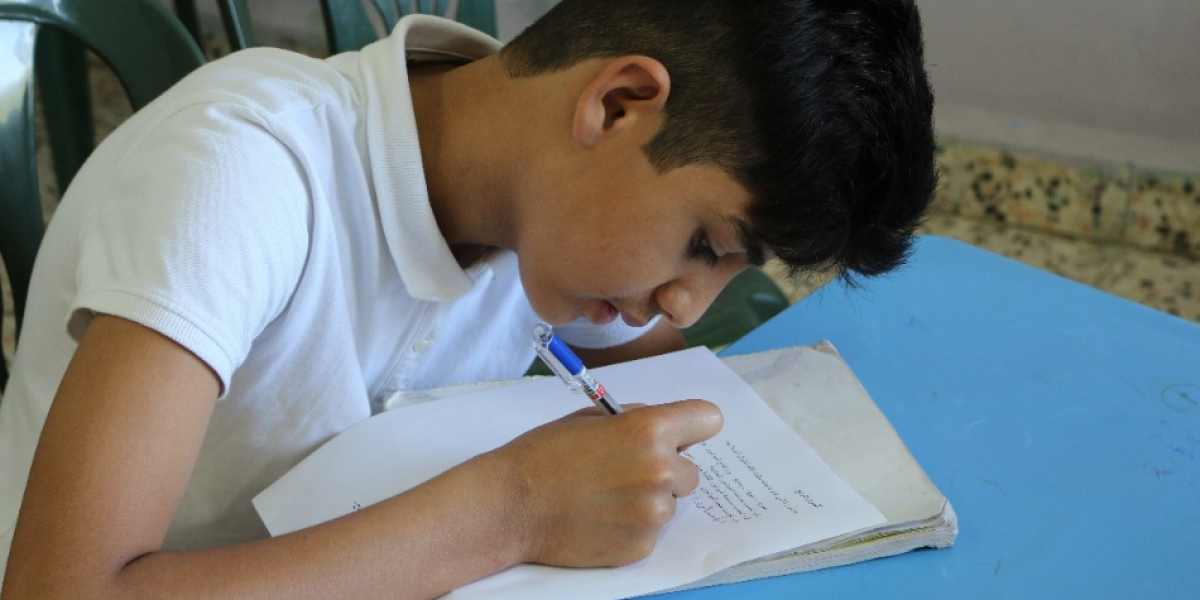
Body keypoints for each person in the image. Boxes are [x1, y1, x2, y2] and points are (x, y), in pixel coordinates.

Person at [0, 0, 936, 597]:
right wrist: (513, 509)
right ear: (613, 107)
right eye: (705, 245)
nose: (687, 306)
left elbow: (664, 387)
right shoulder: (244, 174)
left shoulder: (537, 206)